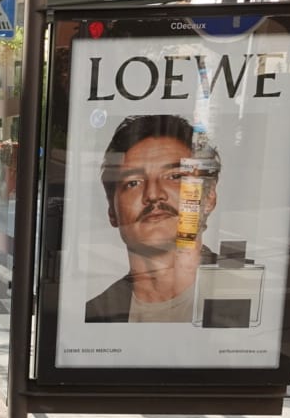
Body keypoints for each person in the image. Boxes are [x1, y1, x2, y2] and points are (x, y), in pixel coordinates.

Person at [85, 114, 221, 323]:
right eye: (133, 182)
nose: (153, 194)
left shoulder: (242, 290)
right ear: (112, 211)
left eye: (175, 176)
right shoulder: (96, 314)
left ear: (209, 197)